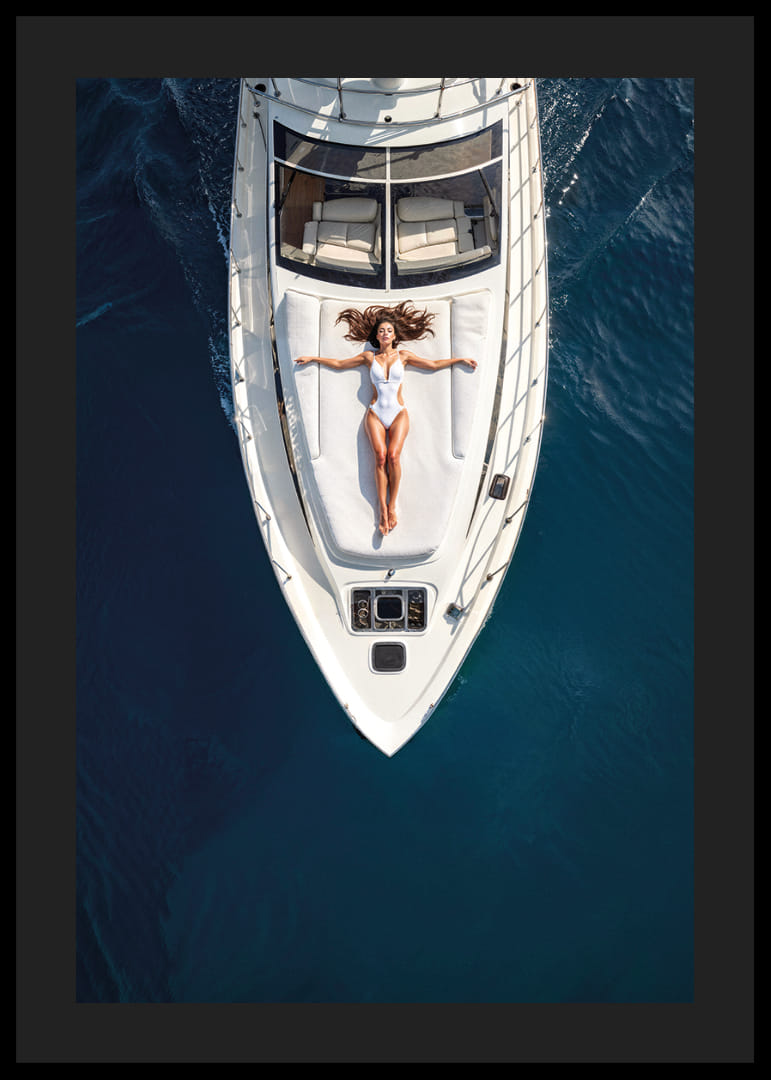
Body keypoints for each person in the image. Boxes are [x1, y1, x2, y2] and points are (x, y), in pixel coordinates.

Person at [295, 302, 477, 536]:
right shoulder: (368, 358)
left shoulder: (405, 356)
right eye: (381, 331)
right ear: (377, 336)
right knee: (380, 458)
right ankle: (382, 510)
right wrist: (313, 359)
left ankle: (393, 505)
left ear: (394, 336)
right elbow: (340, 364)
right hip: (375, 413)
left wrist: (459, 360)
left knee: (393, 456)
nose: (385, 334)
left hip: (399, 412)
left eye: (389, 331)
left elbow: (432, 365)